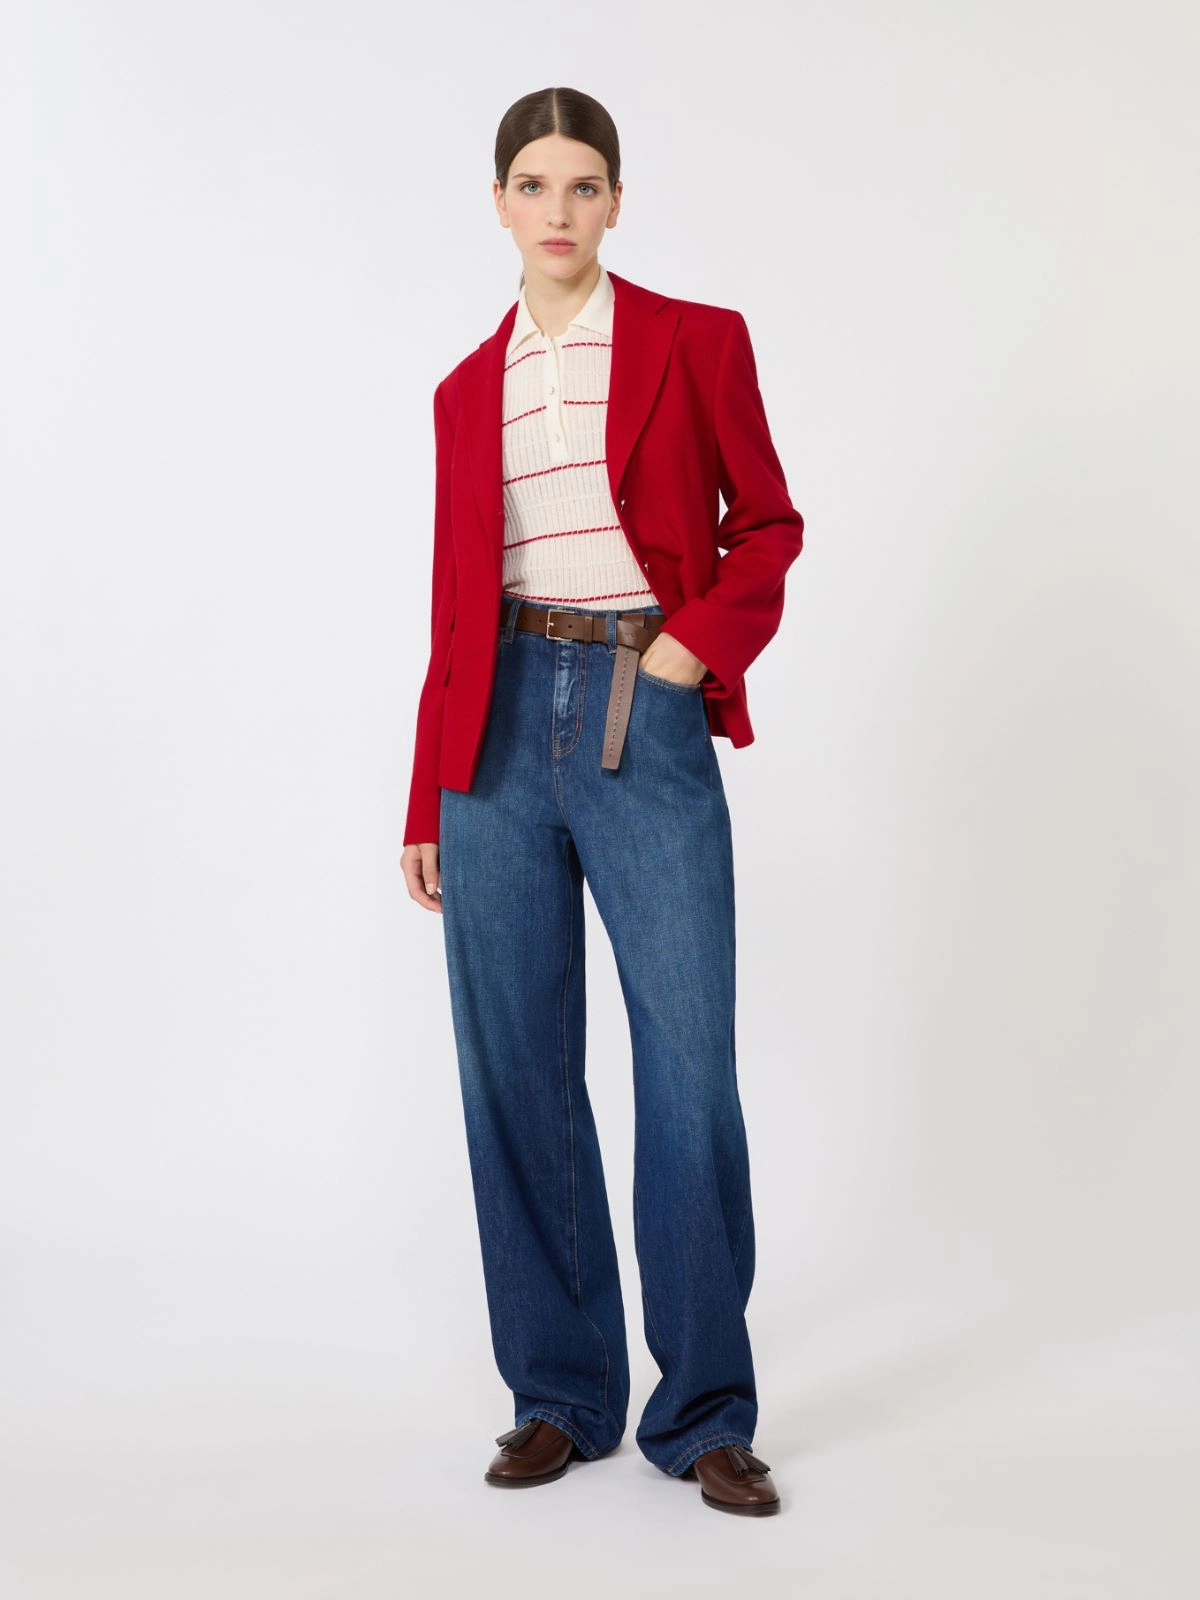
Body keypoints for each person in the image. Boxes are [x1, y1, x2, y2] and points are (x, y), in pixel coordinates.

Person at [399, 85, 804, 1517]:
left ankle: (703, 1413)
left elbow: (769, 524)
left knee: (687, 1065)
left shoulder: (697, 342)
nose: (558, 210)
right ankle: (559, 1395)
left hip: (646, 703)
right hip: (496, 731)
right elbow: (454, 609)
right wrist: (428, 795)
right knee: (514, 1070)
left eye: (583, 185)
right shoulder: (467, 391)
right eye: (534, 185)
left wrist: (692, 646)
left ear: (616, 201)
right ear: (499, 203)